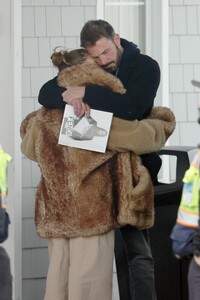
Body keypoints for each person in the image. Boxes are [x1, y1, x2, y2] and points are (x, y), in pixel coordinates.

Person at [38, 20, 161, 300]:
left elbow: (133, 107)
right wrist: (71, 97)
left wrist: (87, 93)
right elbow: (46, 92)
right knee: (105, 253)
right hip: (97, 177)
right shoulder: (88, 68)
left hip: (133, 171)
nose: (103, 61)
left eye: (106, 52)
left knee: (137, 252)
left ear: (116, 39)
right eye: (95, 57)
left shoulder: (144, 66)